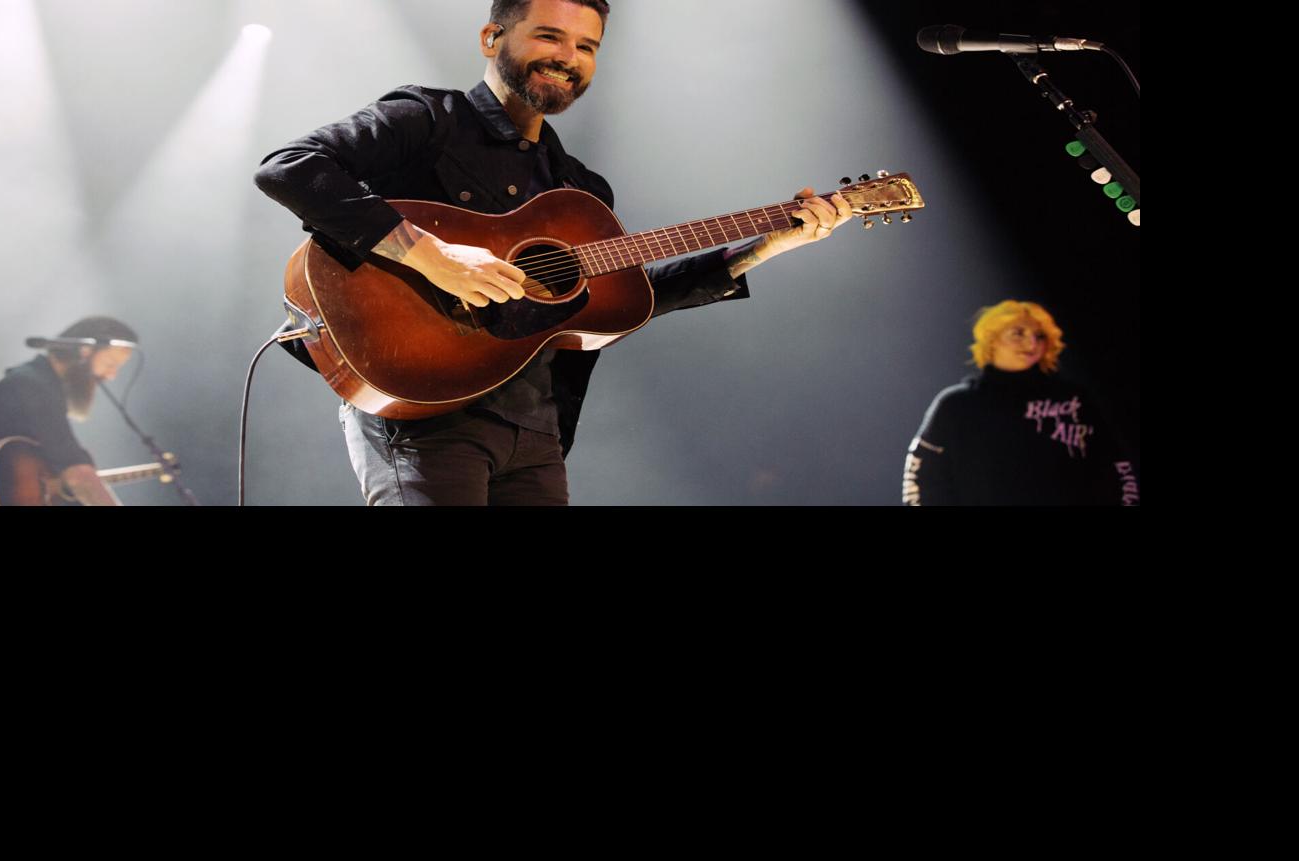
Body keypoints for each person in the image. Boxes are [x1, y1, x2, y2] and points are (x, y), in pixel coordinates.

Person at [254, 0, 852, 506]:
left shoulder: (582, 191)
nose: (569, 57)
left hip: (536, 426)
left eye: (587, 46)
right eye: (549, 35)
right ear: (492, 37)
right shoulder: (427, 120)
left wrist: (767, 246)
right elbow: (290, 168)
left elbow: (625, 302)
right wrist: (429, 254)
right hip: (424, 415)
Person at [902, 301, 1139, 506]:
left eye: (1040, 336)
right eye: (1018, 333)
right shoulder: (956, 405)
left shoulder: (1073, 399)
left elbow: (1116, 469)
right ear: (991, 341)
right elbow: (921, 479)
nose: (1031, 343)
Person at [0, 317, 138, 507]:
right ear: (84, 352)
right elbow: (78, 475)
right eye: (110, 364)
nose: (111, 375)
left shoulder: (35, 382)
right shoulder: (32, 386)